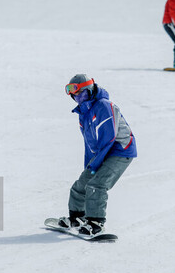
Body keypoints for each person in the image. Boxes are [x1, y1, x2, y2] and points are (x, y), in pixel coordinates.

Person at [57, 74, 137, 236]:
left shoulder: (103, 106)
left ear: (91, 91)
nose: (78, 98)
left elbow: (108, 138)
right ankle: (77, 217)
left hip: (120, 150)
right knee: (82, 183)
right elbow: (89, 145)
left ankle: (96, 222)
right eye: (75, 95)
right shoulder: (83, 113)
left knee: (97, 184)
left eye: (82, 94)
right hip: (102, 152)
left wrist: (95, 165)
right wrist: (88, 167)